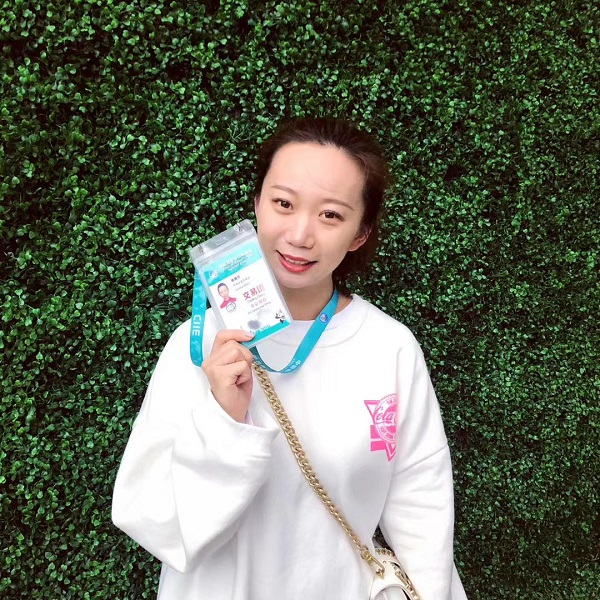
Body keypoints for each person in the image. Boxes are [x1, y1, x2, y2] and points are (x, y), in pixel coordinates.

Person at [112, 117, 467, 599]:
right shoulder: (202, 345)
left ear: (360, 233)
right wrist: (224, 421)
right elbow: (150, 516)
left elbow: (422, 504)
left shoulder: (389, 347)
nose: (300, 234)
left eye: (331, 215)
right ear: (257, 204)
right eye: (283, 203)